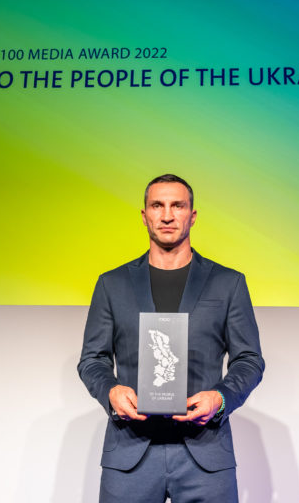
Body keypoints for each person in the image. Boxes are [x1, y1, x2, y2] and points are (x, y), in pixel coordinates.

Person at [78, 174, 264, 502]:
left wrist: (220, 399)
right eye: (157, 205)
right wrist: (110, 391)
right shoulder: (112, 284)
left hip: (205, 452)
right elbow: (93, 359)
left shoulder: (228, 283)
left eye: (177, 205)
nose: (167, 215)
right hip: (130, 452)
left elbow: (249, 360)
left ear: (192, 215)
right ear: (144, 215)